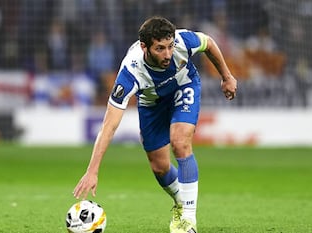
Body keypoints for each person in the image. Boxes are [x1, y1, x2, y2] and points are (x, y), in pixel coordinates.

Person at [73, 16, 237, 233]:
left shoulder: (182, 40)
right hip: (151, 104)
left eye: (170, 47)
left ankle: (188, 219)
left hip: (184, 86)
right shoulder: (130, 73)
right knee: (159, 166)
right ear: (144, 47)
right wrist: (92, 170)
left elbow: (208, 43)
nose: (168, 54)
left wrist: (226, 76)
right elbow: (109, 126)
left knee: (180, 142)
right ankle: (181, 201)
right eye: (160, 48)